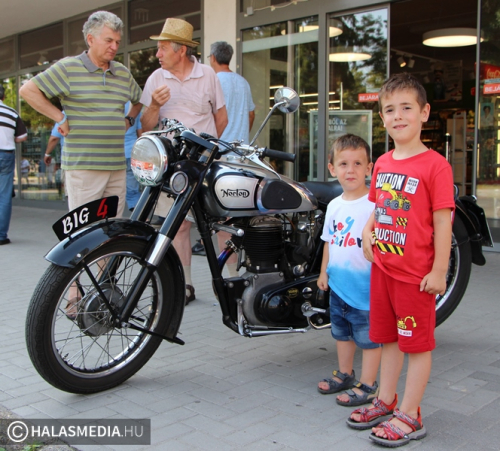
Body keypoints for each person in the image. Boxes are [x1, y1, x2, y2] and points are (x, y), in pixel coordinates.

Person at [347, 73, 454, 448]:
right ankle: (386, 400)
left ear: (424, 113)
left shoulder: (435, 165)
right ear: (382, 118)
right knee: (388, 340)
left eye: (406, 108)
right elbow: (378, 208)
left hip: (415, 277)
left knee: (416, 345)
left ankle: (411, 414)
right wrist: (367, 231)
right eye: (390, 110)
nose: (398, 116)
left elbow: (443, 221)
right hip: (383, 271)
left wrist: (439, 270)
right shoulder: (382, 163)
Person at [19, 10, 142, 218]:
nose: (114, 47)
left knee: (112, 229)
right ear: (90, 39)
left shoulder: (122, 72)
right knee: (85, 232)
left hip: (116, 166)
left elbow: (139, 100)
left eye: (117, 42)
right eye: (109, 40)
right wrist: (60, 118)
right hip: (84, 168)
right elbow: (27, 91)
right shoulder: (69, 67)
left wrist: (128, 120)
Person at [140, 17, 228, 304]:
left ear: (180, 50)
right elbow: (145, 127)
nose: (157, 54)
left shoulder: (208, 75)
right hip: (173, 165)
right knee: (178, 225)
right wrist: (155, 105)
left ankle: (230, 283)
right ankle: (186, 286)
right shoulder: (156, 78)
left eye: (163, 48)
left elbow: (221, 118)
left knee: (222, 221)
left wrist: (206, 149)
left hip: (206, 163)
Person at [316, 134, 381, 407]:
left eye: (357, 163)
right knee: (341, 334)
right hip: (339, 287)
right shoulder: (334, 205)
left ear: (369, 168)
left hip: (366, 290)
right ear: (332, 168)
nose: (350, 170)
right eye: (343, 164)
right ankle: (345, 374)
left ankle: (368, 384)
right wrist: (324, 272)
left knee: (369, 338)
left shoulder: (374, 206)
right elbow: (329, 241)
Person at [195, 41, 256, 275]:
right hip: (240, 156)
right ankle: (237, 268)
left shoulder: (213, 80)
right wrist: (241, 134)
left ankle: (229, 274)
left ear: (212, 57)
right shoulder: (243, 82)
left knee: (222, 218)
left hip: (219, 155)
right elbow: (251, 114)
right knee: (236, 215)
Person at [0, 84, 28, 245]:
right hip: (6, 155)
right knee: (4, 196)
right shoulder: (11, 112)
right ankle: (1, 236)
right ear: (3, 97)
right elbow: (22, 136)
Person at [124, 101, 143, 211]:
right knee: (132, 187)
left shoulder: (111, 104)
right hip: (132, 151)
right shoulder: (134, 107)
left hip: (115, 151)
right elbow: (140, 131)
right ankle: (137, 212)